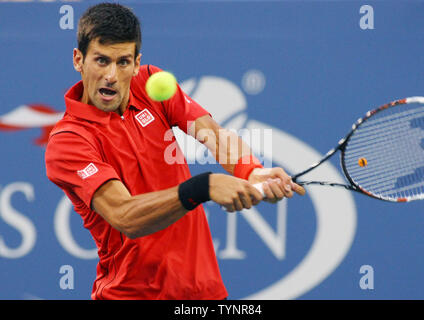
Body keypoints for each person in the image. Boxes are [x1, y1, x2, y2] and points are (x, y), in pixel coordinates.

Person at [45, 2, 304, 300]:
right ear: (78, 60)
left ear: (137, 63)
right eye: (101, 61)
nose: (112, 76)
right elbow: (125, 215)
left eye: (123, 62)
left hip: (204, 294)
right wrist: (201, 187)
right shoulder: (68, 141)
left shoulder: (150, 84)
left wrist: (252, 170)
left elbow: (213, 136)